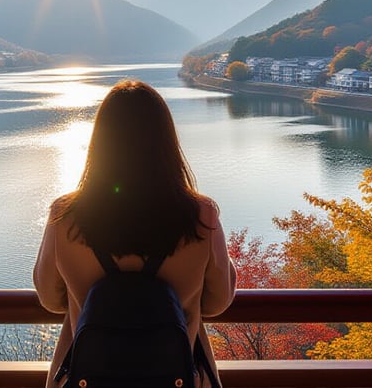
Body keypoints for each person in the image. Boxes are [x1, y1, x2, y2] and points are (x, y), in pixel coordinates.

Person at [34, 79, 237, 388]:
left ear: (100, 142)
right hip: (178, 379)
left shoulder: (65, 216)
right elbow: (217, 302)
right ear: (167, 142)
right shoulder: (201, 215)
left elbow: (50, 298)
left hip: (89, 378)